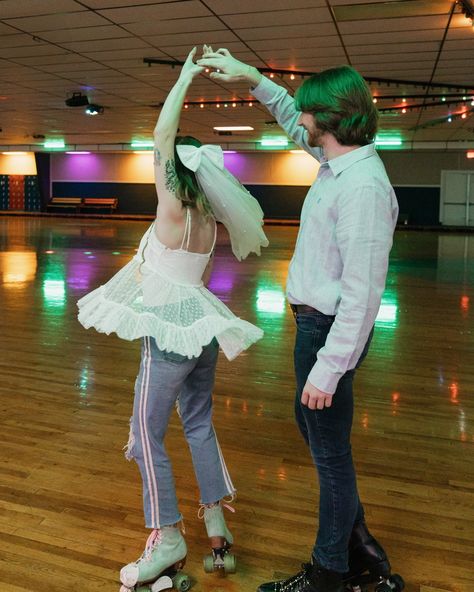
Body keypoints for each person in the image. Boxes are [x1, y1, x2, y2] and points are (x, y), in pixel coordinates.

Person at [197, 47, 400, 592]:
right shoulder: (339, 164)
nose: (301, 121)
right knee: (318, 440)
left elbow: (363, 295)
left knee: (330, 456)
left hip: (328, 333)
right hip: (314, 328)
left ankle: (330, 571)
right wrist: (250, 78)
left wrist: (329, 367)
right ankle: (361, 547)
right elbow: (289, 113)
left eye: (309, 113)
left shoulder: (363, 187)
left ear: (330, 120)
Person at [77, 47, 268, 591]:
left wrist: (184, 76)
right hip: (200, 332)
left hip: (168, 334)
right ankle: (214, 519)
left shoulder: (172, 210)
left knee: (144, 433)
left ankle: (166, 535)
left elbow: (162, 137)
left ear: (171, 172)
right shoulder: (205, 220)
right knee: (199, 424)